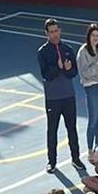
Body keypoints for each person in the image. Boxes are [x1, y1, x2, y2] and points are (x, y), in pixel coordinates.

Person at [35, 17, 81, 171]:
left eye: (56, 31)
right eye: (51, 32)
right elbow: (46, 74)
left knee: (72, 128)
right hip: (53, 98)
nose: (55, 34)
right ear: (46, 33)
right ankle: (52, 161)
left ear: (60, 31)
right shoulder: (43, 52)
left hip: (68, 96)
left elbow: (74, 72)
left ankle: (76, 158)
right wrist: (58, 67)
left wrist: (68, 69)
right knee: (52, 130)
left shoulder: (68, 49)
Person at [76, 23, 98, 161]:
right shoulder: (83, 52)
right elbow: (85, 74)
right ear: (88, 36)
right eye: (93, 35)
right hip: (91, 88)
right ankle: (90, 150)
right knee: (93, 120)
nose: (96, 38)